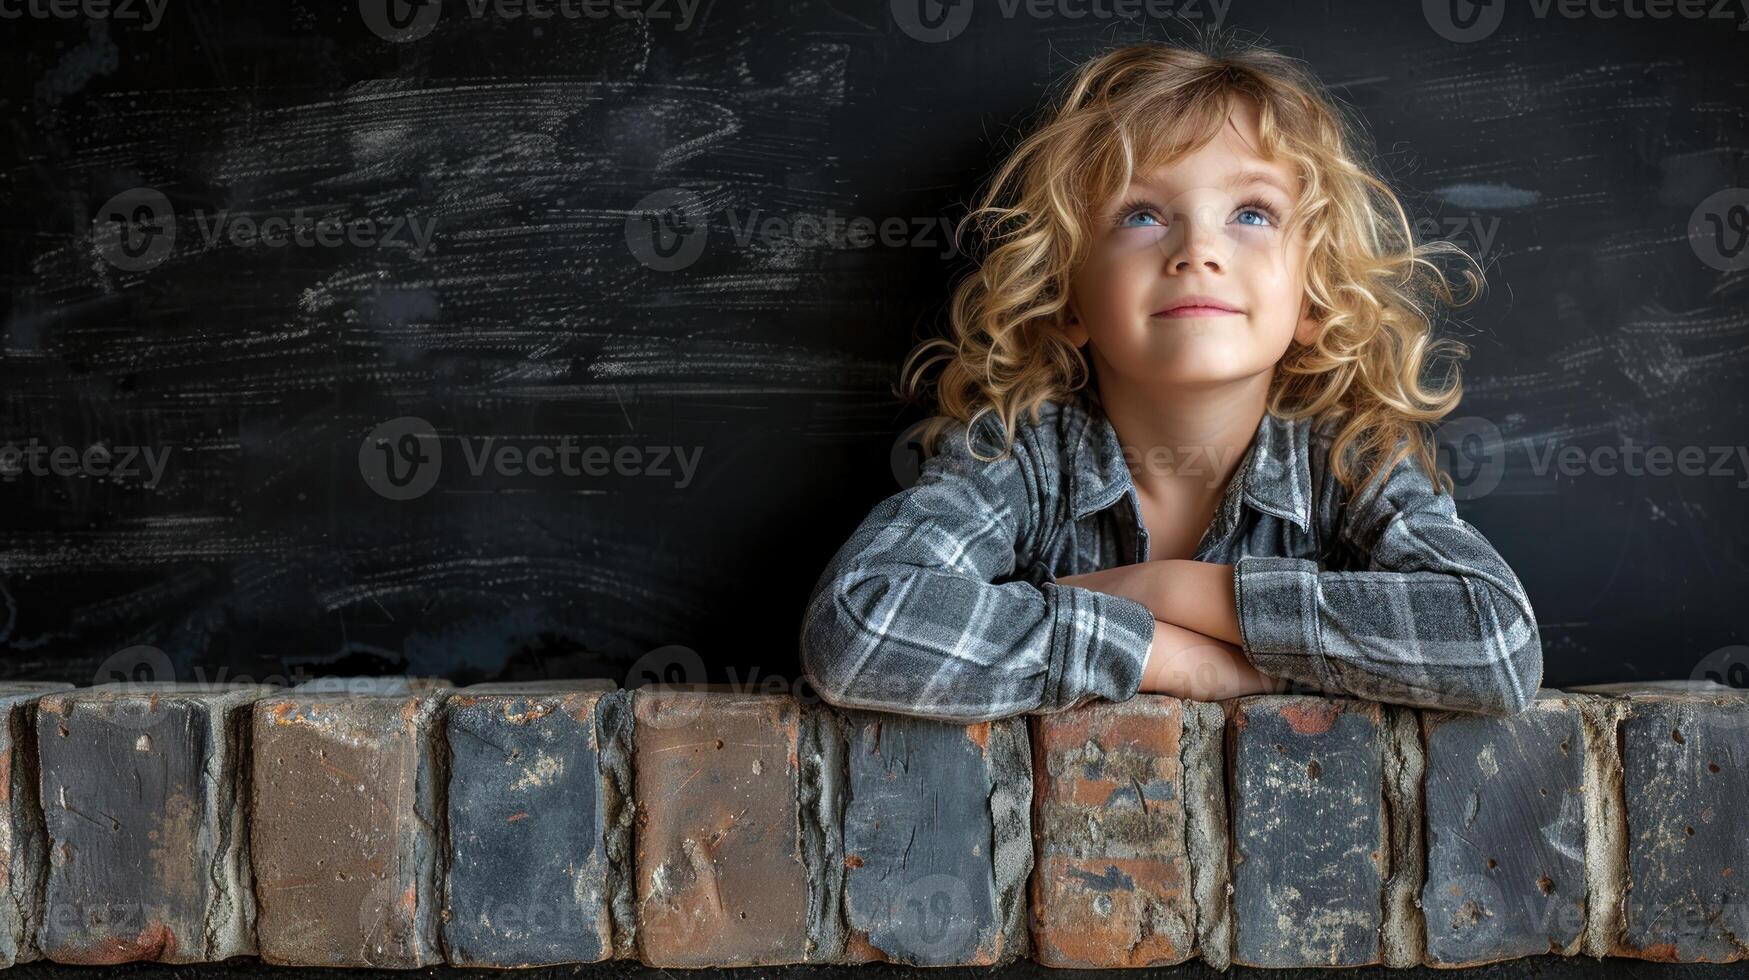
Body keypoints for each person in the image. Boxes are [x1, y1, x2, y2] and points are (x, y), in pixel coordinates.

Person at [798, 40, 1543, 723]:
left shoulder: (1350, 460)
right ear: (1066, 296)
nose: (1197, 250)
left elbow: (1497, 642)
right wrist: (1160, 654)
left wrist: (1162, 590)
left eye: (1251, 212)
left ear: (1313, 299)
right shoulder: (1019, 455)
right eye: (1142, 214)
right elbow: (858, 627)